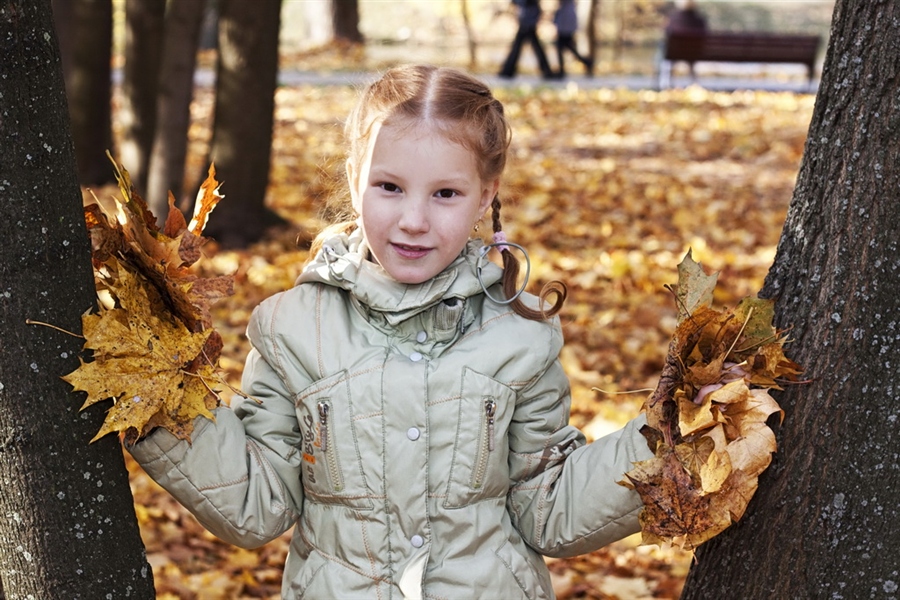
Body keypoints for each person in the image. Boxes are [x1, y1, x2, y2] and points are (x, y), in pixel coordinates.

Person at [129, 64, 655, 599]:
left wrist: (667, 441)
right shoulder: (292, 329)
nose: (413, 219)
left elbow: (549, 508)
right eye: (390, 187)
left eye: (445, 193)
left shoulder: (521, 334)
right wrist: (153, 396)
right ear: (357, 180)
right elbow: (256, 505)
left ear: (484, 196)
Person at [498, 0, 556, 79]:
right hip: (527, 22)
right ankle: (546, 71)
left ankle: (508, 71)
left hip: (527, 23)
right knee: (526, 48)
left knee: (519, 49)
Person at [553, 0, 593, 77]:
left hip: (565, 25)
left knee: (564, 47)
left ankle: (586, 62)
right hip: (565, 23)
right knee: (567, 47)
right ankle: (586, 62)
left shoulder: (567, 5)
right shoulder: (568, 6)